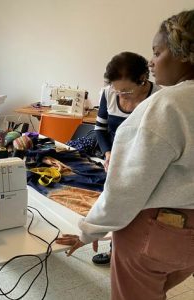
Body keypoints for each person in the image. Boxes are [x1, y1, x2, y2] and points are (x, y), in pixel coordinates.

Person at [56, 9, 194, 300]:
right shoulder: (115, 97)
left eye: (157, 52)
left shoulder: (166, 105)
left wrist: (89, 231)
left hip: (155, 232)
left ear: (183, 53)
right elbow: (100, 131)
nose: (153, 62)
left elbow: (127, 187)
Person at [92, 52, 161, 265]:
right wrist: (108, 153)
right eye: (117, 89)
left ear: (143, 80)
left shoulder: (158, 97)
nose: (121, 95)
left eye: (127, 90)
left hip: (144, 163)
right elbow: (100, 130)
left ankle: (132, 256)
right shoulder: (108, 93)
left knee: (138, 214)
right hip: (115, 161)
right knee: (115, 206)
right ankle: (115, 251)